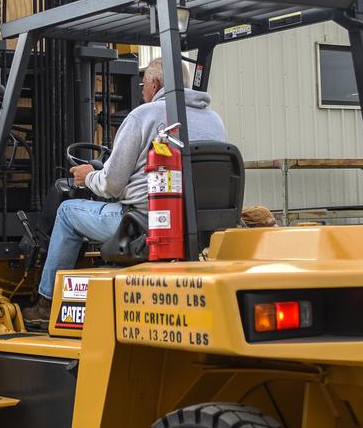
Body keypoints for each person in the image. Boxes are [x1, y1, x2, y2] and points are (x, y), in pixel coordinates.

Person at [26, 58, 227, 325]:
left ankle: (47, 302)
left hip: (144, 225)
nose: (142, 89)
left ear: (155, 83)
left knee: (66, 212)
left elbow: (112, 184)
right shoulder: (214, 120)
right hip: (199, 225)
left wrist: (90, 177)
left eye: (144, 83)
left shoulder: (144, 115)